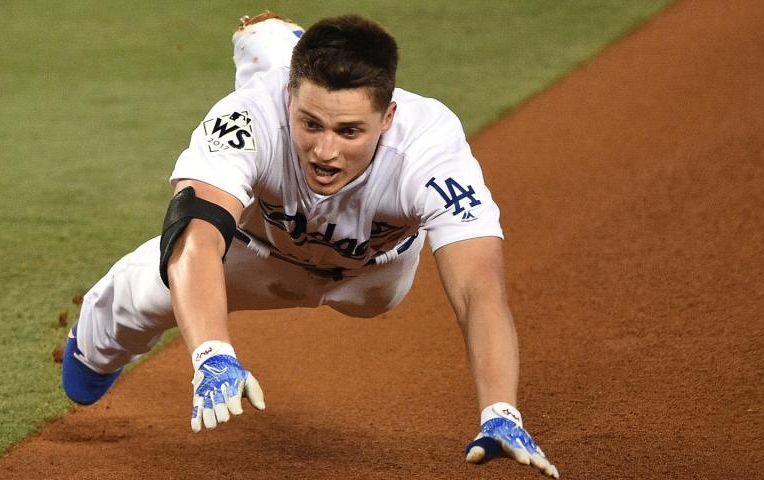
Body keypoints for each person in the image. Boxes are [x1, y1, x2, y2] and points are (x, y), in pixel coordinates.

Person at [61, 12, 559, 478]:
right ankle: (91, 354)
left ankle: (276, 36)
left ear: (388, 117)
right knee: (143, 290)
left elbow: (478, 291)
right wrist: (212, 354)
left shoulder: (429, 149)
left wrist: (501, 409)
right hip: (257, 255)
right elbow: (195, 236)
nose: (326, 151)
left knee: (268, 38)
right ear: (288, 98)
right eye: (311, 124)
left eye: (349, 131)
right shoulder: (249, 116)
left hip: (372, 279)